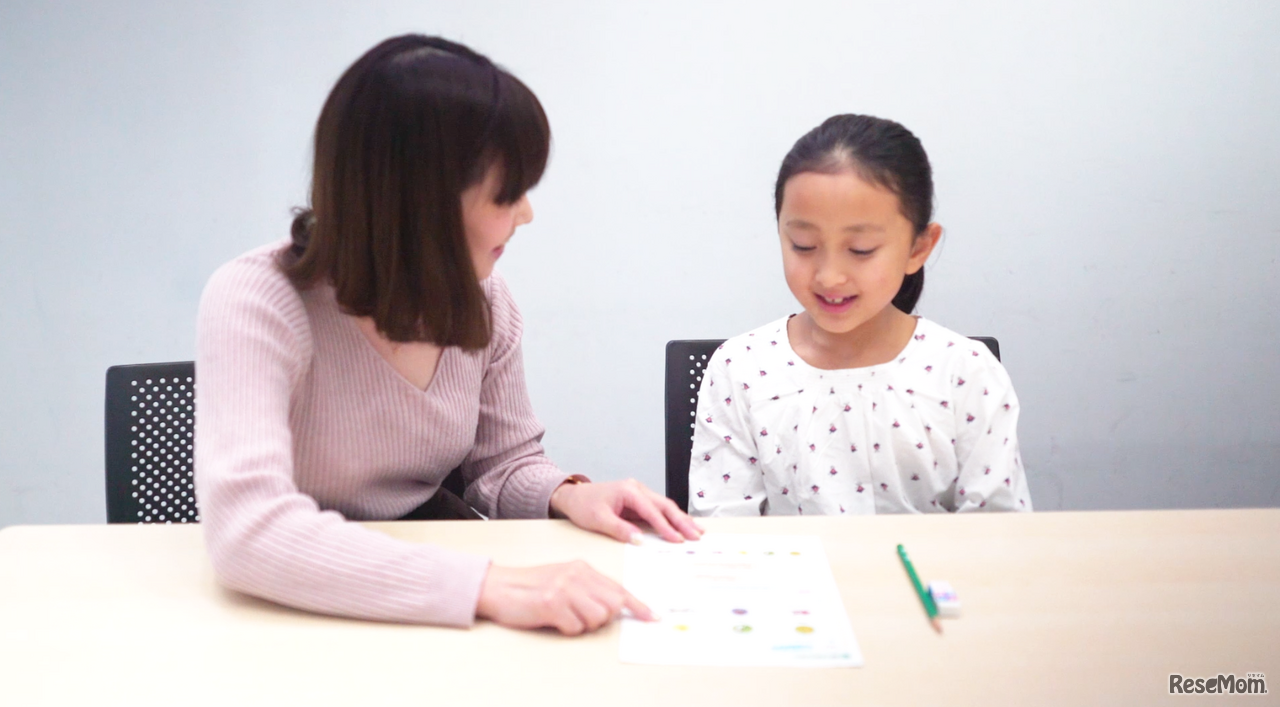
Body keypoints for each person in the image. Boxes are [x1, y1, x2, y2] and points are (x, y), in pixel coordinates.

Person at [195, 34, 700, 635]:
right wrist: (485, 586)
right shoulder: (257, 299)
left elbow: (503, 464)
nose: (527, 214)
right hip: (295, 600)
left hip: (427, 576)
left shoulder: (486, 296)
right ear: (420, 200)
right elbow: (248, 530)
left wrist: (568, 494)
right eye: (507, 194)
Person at [688, 114, 1032, 517]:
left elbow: (999, 531)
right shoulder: (741, 369)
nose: (829, 276)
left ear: (919, 248)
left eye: (861, 250)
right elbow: (723, 532)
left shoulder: (965, 373)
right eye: (803, 245)